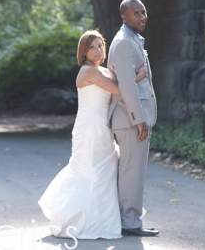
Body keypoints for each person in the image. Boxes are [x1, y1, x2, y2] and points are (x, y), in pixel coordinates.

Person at [38, 30, 147, 239]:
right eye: (92, 47)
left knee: (106, 170)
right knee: (90, 169)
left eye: (100, 46)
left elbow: (119, 82)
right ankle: (80, 219)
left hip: (103, 126)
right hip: (89, 126)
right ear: (84, 52)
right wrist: (139, 76)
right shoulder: (88, 72)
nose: (97, 51)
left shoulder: (103, 71)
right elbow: (119, 90)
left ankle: (106, 219)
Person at [107, 0, 158, 237]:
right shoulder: (125, 42)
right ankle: (129, 222)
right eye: (136, 13)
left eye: (143, 12)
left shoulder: (131, 39)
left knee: (132, 170)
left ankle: (129, 219)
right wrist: (139, 119)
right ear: (124, 17)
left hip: (131, 119)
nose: (142, 17)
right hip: (130, 121)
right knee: (131, 171)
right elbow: (127, 85)